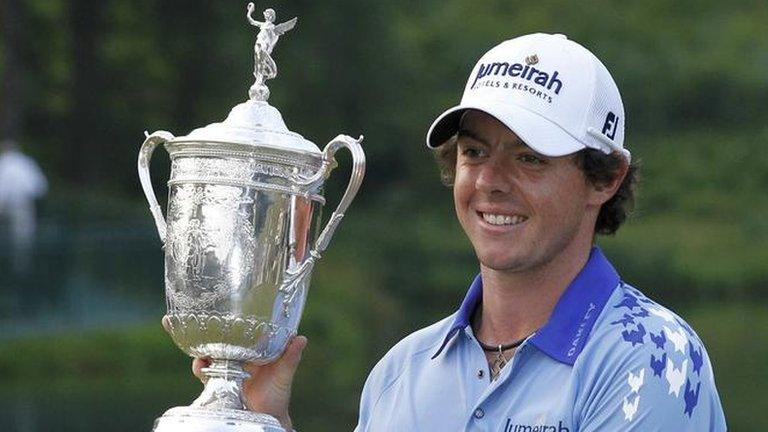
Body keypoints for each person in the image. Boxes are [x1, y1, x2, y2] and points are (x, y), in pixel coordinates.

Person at [194, 33, 726, 431]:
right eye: (475, 152)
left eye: (529, 158)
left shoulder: (650, 354)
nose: (491, 182)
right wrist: (261, 418)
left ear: (604, 178)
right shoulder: (400, 372)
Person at [0, 139, 47, 274]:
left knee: (21, 233)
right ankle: (22, 265)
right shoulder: (27, 162)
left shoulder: (5, 162)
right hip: (27, 201)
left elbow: (2, 187)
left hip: (12, 201)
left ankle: (18, 266)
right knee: (24, 235)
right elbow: (41, 185)